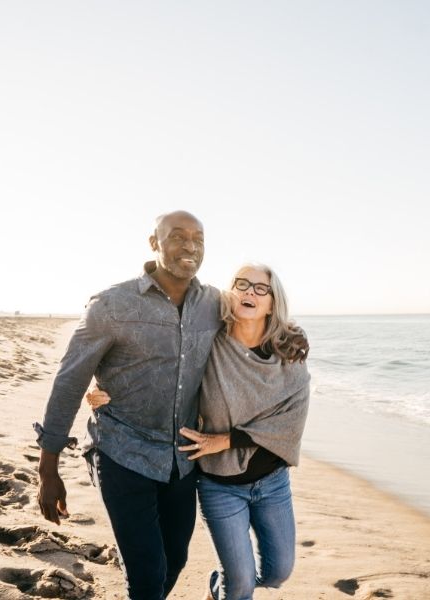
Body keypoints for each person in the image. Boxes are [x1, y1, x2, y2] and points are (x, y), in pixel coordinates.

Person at [34, 211, 308, 600]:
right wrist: (48, 468)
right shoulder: (112, 305)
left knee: (174, 560)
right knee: (147, 576)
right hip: (121, 452)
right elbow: (69, 380)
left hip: (181, 461)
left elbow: (260, 317)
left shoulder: (215, 303)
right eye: (178, 237)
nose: (190, 246)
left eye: (198, 238)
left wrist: (293, 333)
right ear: (154, 243)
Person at [87, 263, 310, 600]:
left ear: (272, 302)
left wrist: (226, 440)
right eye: (242, 284)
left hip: (273, 482)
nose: (250, 292)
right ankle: (227, 586)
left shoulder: (287, 350)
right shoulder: (208, 341)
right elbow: (158, 366)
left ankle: (215, 585)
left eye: (260, 288)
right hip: (219, 484)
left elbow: (291, 419)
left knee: (278, 572)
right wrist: (108, 388)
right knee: (240, 585)